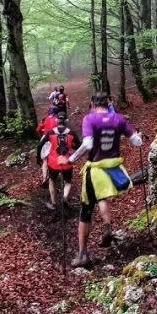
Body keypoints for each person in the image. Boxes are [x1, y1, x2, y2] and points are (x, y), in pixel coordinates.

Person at [66, 92, 142, 267]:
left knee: (85, 211)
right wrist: (138, 135)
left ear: (92, 104)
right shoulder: (119, 119)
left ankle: (82, 255)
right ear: (109, 103)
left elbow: (88, 144)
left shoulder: (89, 119)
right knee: (102, 197)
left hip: (95, 169)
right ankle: (107, 225)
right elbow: (137, 142)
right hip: (113, 169)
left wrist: (70, 159)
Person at [40, 113, 79, 210]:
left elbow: (40, 144)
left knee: (52, 180)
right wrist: (71, 147)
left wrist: (38, 157)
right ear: (66, 121)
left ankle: (53, 203)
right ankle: (64, 197)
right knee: (68, 181)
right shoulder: (72, 133)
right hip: (67, 162)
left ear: (57, 121)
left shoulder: (50, 133)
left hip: (53, 163)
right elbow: (79, 146)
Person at [35, 111, 61, 188]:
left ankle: (44, 178)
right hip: (54, 139)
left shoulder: (45, 119)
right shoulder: (57, 120)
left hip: (45, 139)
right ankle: (55, 176)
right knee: (55, 157)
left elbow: (38, 130)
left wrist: (43, 131)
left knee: (45, 161)